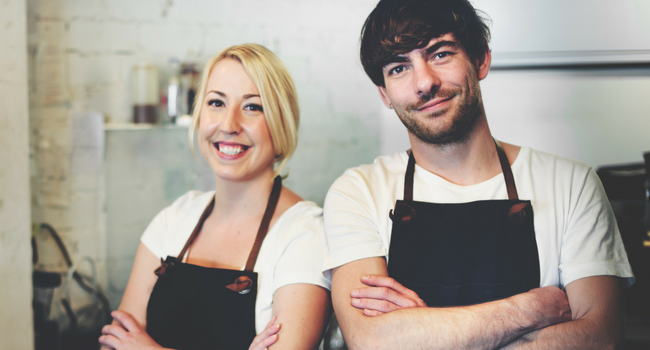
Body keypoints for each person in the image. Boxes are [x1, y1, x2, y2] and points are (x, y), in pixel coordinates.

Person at [323, 0, 635, 349]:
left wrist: (424, 332)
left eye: (440, 53)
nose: (424, 82)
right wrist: (530, 309)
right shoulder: (358, 192)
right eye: (398, 68)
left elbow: (600, 339)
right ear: (384, 94)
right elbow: (372, 341)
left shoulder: (573, 184)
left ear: (481, 59)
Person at [99, 44, 331, 350]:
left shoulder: (304, 235)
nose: (229, 125)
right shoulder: (174, 220)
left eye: (252, 107)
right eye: (216, 102)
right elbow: (114, 344)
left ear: (281, 124)